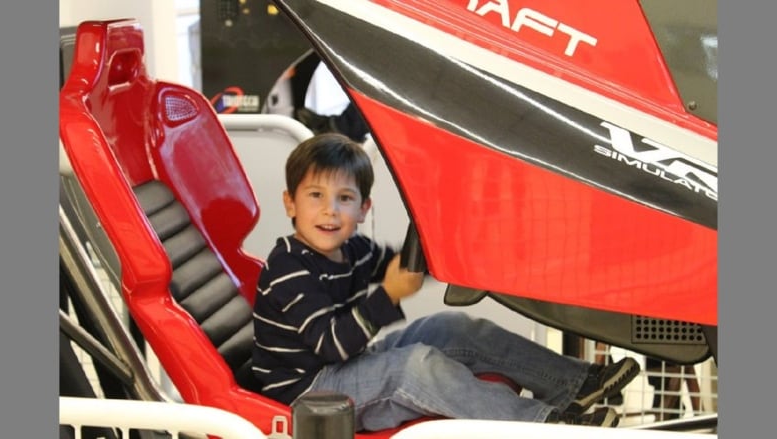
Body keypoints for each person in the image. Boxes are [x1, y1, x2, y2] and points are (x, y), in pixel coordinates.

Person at [251, 133, 641, 431]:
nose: (329, 211)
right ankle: (545, 426)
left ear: (363, 208)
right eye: (315, 195)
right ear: (290, 203)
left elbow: (406, 266)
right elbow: (332, 343)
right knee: (415, 367)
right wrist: (388, 295)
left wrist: (458, 252)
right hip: (308, 394)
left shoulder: (352, 249)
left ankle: (574, 383)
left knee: (447, 327)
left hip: (348, 364)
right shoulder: (288, 267)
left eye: (344, 198)